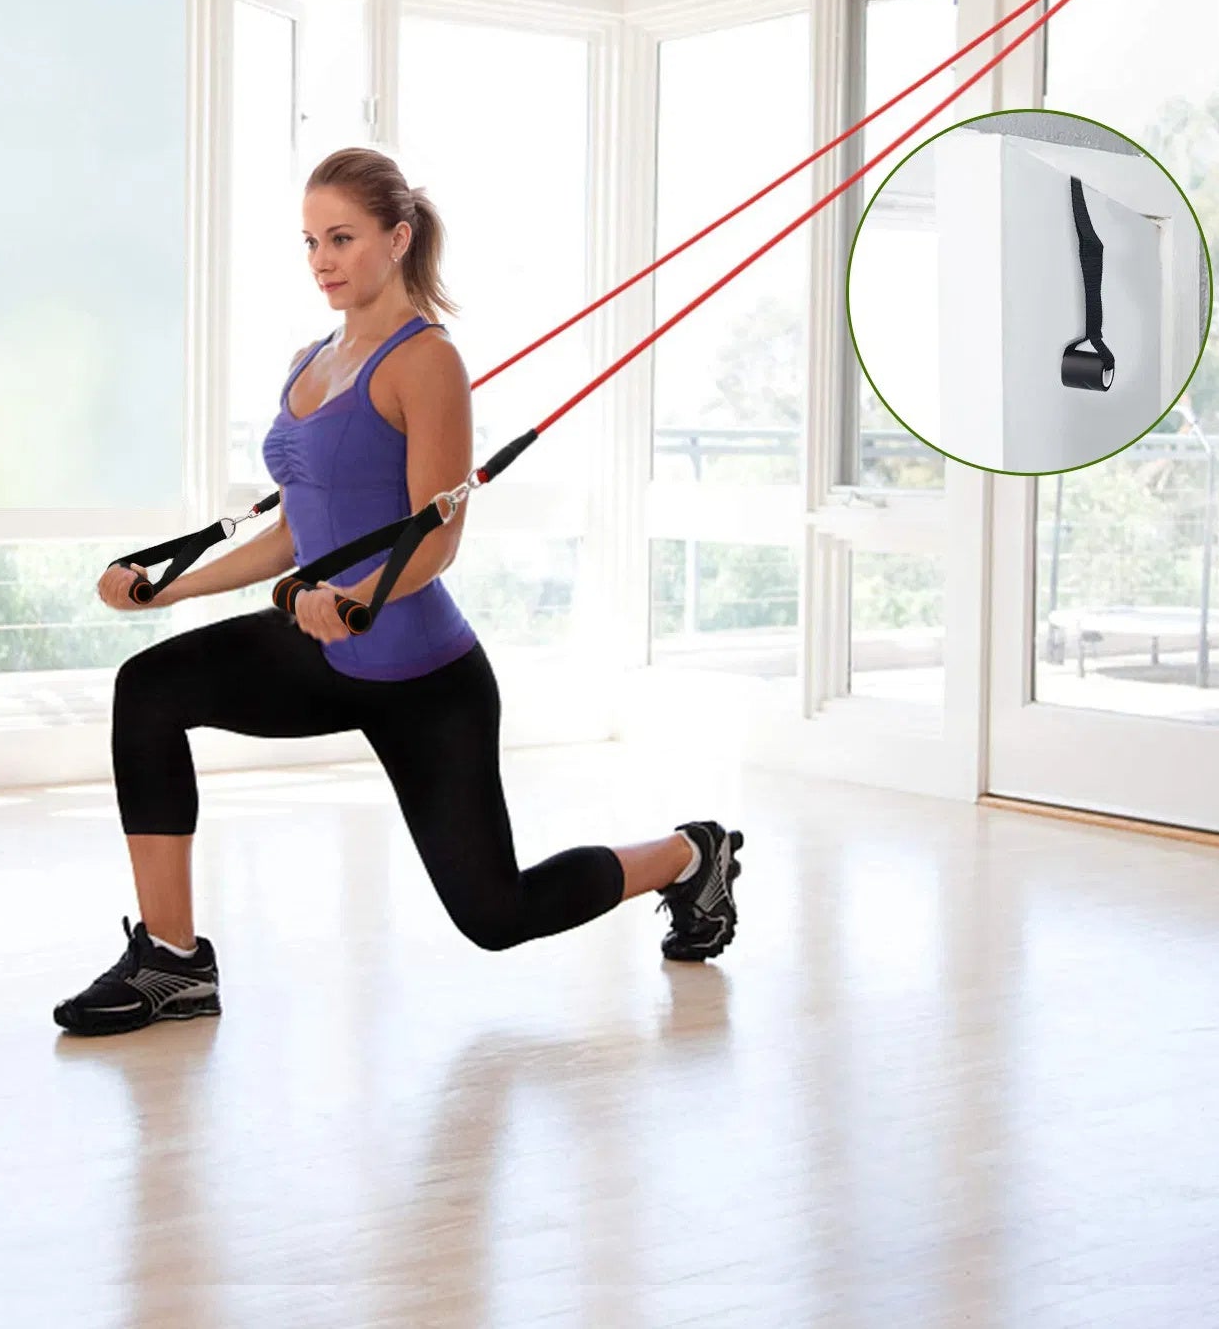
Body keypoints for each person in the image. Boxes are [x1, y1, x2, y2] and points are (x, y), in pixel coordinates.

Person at [54, 147, 743, 1037]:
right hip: (321, 642)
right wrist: (165, 591)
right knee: (146, 691)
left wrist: (354, 601)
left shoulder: (428, 362)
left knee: (496, 915)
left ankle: (692, 856)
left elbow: (438, 534)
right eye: (310, 242)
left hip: (421, 674)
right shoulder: (310, 361)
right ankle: (173, 961)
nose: (323, 260)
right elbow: (295, 534)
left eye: (342, 238)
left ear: (398, 237)